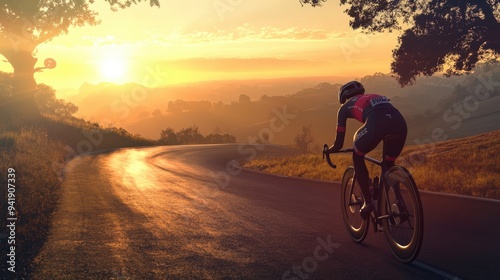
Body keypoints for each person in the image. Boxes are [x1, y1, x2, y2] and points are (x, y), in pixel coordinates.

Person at [326, 81, 407, 220]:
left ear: (343, 97)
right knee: (388, 164)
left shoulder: (344, 107)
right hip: (399, 122)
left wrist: (329, 150)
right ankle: (400, 203)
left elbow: (339, 144)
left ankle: (369, 203)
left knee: (357, 154)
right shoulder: (374, 96)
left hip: (377, 123)